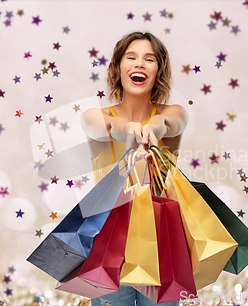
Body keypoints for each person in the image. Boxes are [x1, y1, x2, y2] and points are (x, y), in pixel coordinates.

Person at [81, 31, 188, 306]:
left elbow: (169, 124)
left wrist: (151, 128)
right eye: (131, 57)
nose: (139, 64)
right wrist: (127, 128)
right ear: (119, 67)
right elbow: (104, 127)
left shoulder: (173, 113)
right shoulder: (96, 116)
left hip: (161, 246)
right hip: (109, 248)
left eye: (149, 59)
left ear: (159, 71)